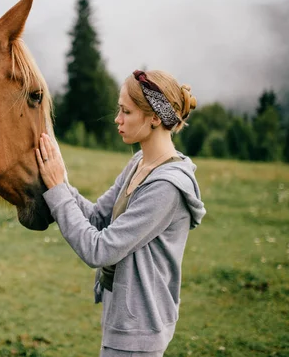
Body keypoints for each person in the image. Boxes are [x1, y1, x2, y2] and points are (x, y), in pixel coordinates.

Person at [36, 69, 206, 357]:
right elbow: (97, 217)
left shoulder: (167, 187)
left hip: (139, 331)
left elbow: (99, 250)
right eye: (119, 109)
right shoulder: (141, 162)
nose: (118, 119)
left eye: (126, 111)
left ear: (154, 118)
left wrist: (57, 190)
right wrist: (60, 180)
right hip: (124, 320)